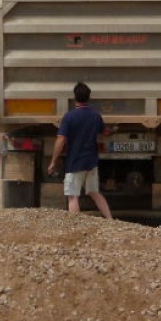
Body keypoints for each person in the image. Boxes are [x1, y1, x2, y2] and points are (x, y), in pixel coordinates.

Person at [46, 81, 114, 219]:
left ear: (75, 98)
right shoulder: (95, 116)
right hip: (91, 162)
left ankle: (74, 225)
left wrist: (53, 161)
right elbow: (105, 132)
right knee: (95, 192)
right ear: (89, 98)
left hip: (75, 162)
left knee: (72, 196)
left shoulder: (69, 117)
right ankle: (110, 220)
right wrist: (114, 130)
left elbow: (61, 140)